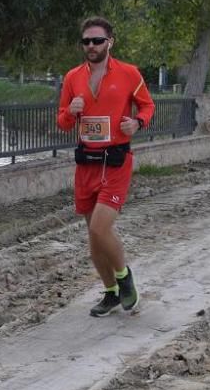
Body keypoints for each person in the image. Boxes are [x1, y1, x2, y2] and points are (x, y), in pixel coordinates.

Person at [57, 17, 155, 317]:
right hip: (87, 162)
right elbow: (62, 122)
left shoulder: (128, 73)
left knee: (101, 227)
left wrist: (137, 122)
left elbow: (148, 106)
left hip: (115, 162)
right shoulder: (72, 77)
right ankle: (110, 292)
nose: (91, 46)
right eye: (86, 41)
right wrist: (70, 112)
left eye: (97, 40)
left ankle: (125, 280)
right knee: (94, 237)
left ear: (109, 42)